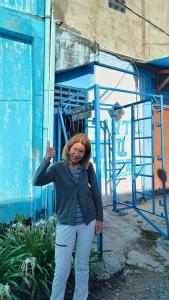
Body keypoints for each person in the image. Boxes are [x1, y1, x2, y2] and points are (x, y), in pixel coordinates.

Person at [33, 133, 103, 300]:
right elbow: (37, 181)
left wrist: (99, 218)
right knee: (62, 270)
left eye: (81, 152)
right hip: (66, 223)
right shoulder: (57, 168)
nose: (77, 154)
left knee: (82, 266)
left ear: (85, 154)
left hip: (88, 222)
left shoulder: (88, 167)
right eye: (75, 149)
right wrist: (46, 159)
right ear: (68, 148)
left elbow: (95, 192)